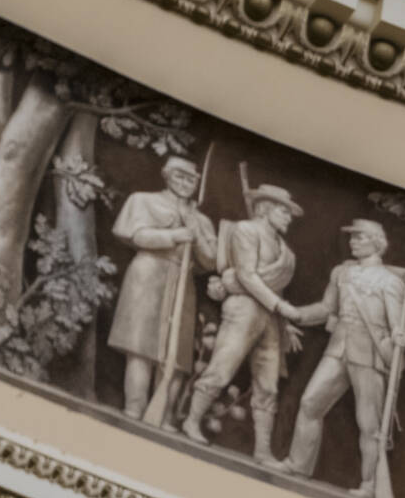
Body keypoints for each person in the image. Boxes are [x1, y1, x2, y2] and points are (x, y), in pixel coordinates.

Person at [281, 220, 405, 496]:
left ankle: (370, 484)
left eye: (360, 237)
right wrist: (294, 313)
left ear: (377, 242)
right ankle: (298, 464)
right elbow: (325, 308)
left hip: (369, 354)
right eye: (352, 237)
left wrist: (402, 339)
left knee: (369, 423)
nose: (353, 242)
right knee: (310, 403)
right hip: (338, 346)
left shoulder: (390, 281)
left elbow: (398, 328)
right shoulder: (342, 273)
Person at [182, 183, 303, 463]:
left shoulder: (288, 254)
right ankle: (192, 421)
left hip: (270, 317)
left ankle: (262, 450)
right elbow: (248, 276)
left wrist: (283, 320)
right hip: (245, 308)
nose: (288, 217)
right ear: (264, 209)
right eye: (283, 211)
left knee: (268, 384)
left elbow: (265, 285)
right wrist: (277, 304)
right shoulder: (246, 231)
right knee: (222, 368)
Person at [107, 154, 215, 423]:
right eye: (179, 176)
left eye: (191, 179)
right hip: (148, 274)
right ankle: (134, 408)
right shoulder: (144, 201)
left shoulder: (201, 220)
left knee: (175, 355)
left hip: (182, 281)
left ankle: (163, 418)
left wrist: (197, 235)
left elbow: (211, 260)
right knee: (140, 346)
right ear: (167, 176)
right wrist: (174, 236)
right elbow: (137, 235)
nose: (186, 182)